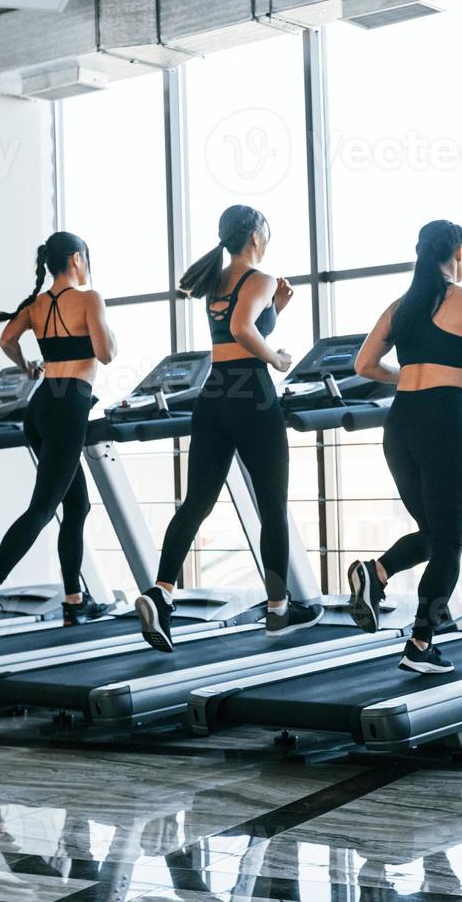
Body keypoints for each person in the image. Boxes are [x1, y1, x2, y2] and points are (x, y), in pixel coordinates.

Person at [135, 205, 318, 652]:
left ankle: (161, 592)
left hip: (213, 395)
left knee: (196, 501)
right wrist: (276, 358)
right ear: (256, 234)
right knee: (272, 504)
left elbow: (239, 321)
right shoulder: (260, 278)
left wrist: (276, 309)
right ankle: (278, 609)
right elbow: (242, 327)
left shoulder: (215, 282)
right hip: (252, 395)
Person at [348, 221, 462, 674]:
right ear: (460, 250)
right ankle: (420, 643)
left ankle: (376, 574)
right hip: (442, 421)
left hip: (400, 424)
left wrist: (412, 376)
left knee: (436, 533)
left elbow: (364, 364)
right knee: (449, 541)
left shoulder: (400, 306)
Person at [0, 232, 118, 641]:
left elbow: (6, 339)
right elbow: (106, 354)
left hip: (43, 405)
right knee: (44, 508)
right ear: (77, 259)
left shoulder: (35, 305)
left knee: (77, 505)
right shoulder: (89, 298)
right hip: (70, 407)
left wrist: (29, 364)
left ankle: (73, 602)